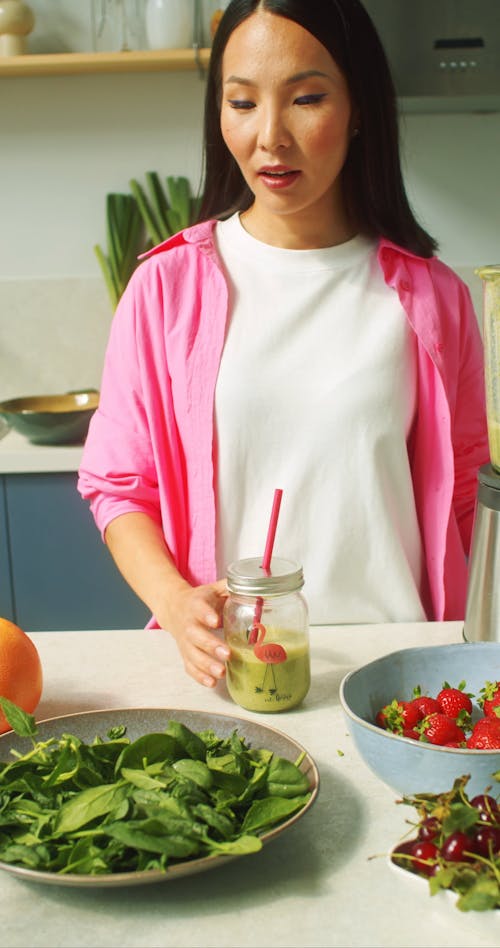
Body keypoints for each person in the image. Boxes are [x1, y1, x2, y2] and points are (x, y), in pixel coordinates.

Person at [78, 0, 489, 689]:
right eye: (242, 101)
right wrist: (177, 607)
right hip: (236, 674)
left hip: (405, 677)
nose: (270, 136)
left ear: (358, 108)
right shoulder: (163, 289)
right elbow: (119, 488)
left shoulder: (435, 298)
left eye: (306, 98)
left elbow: (474, 499)